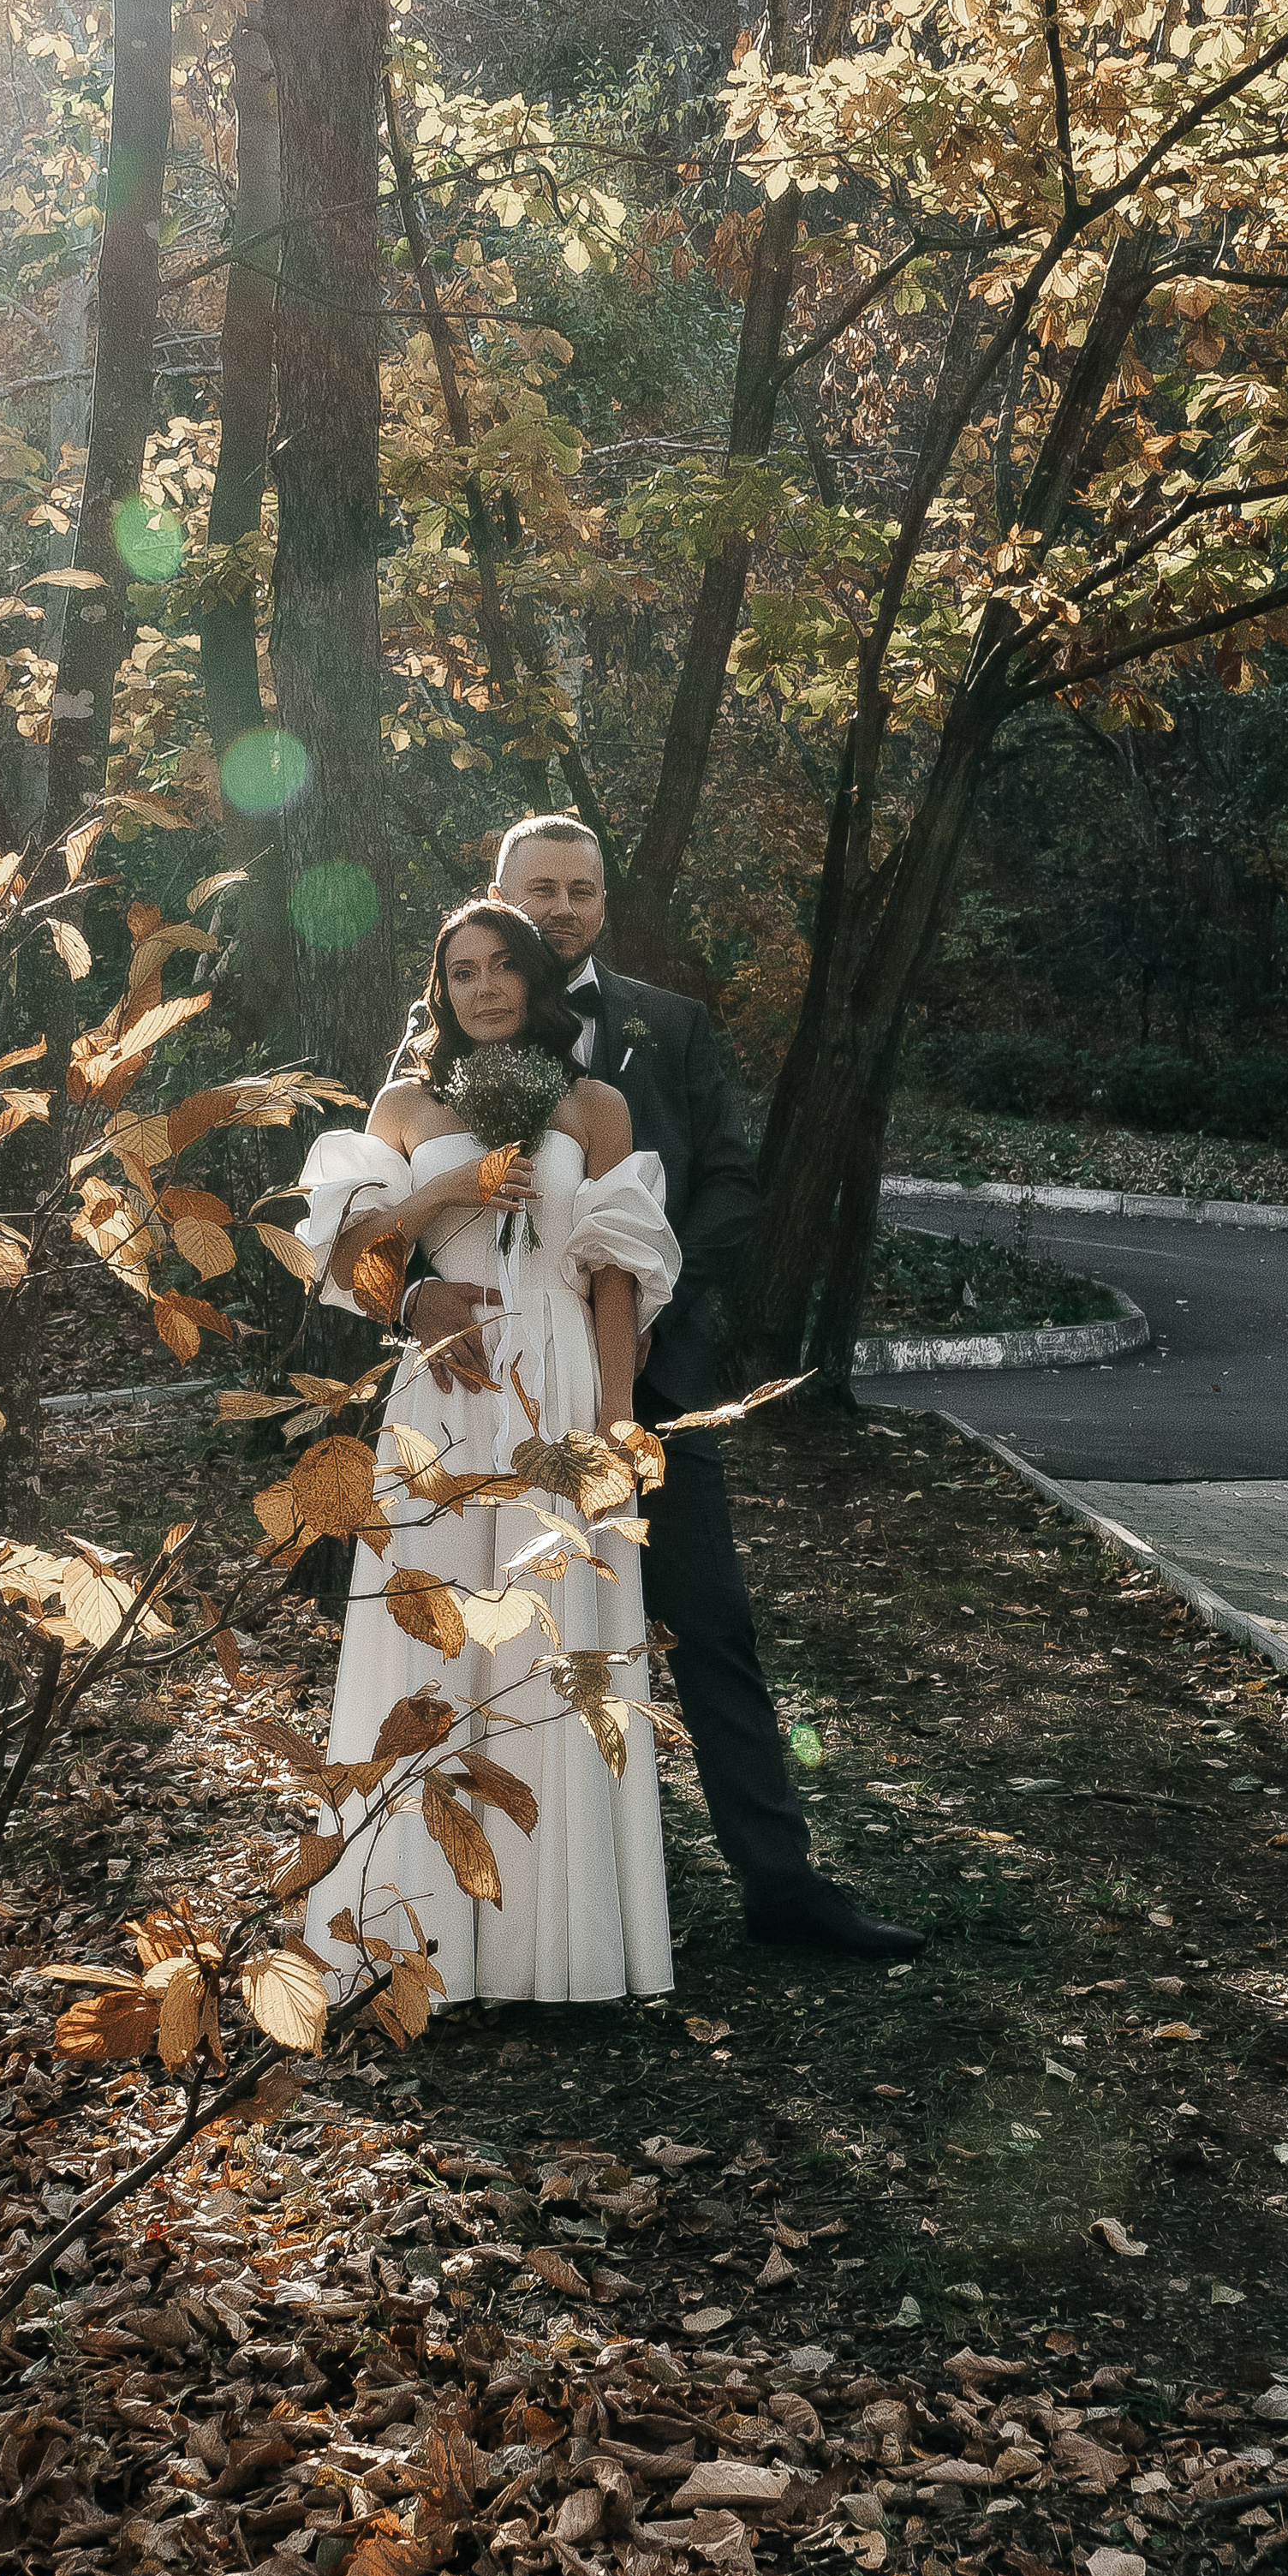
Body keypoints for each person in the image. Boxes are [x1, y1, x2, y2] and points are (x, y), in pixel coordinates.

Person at [395, 816, 927, 1961]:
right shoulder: (436, 1047)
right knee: (480, 1639)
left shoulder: (668, 1027)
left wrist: (628, 1307)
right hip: (479, 1394)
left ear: (604, 904)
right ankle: (484, 1918)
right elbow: (373, 1220)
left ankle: (782, 1887)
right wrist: (405, 1304)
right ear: (494, 895)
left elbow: (730, 1184)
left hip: (651, 1380)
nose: (562, 909)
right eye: (538, 888)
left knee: (712, 1629)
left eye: (583, 890)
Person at [294, 899, 685, 2004]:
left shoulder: (594, 1106)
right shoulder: (410, 1105)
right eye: (461, 972)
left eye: (502, 967)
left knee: (551, 1643)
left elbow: (616, 1273)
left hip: (556, 1376)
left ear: (536, 978)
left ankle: (550, 1952)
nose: (484, 989)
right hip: (446, 1395)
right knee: (430, 1637)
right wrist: (437, 1216)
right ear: (442, 991)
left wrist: (615, 1421)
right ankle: (414, 1947)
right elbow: (347, 1256)